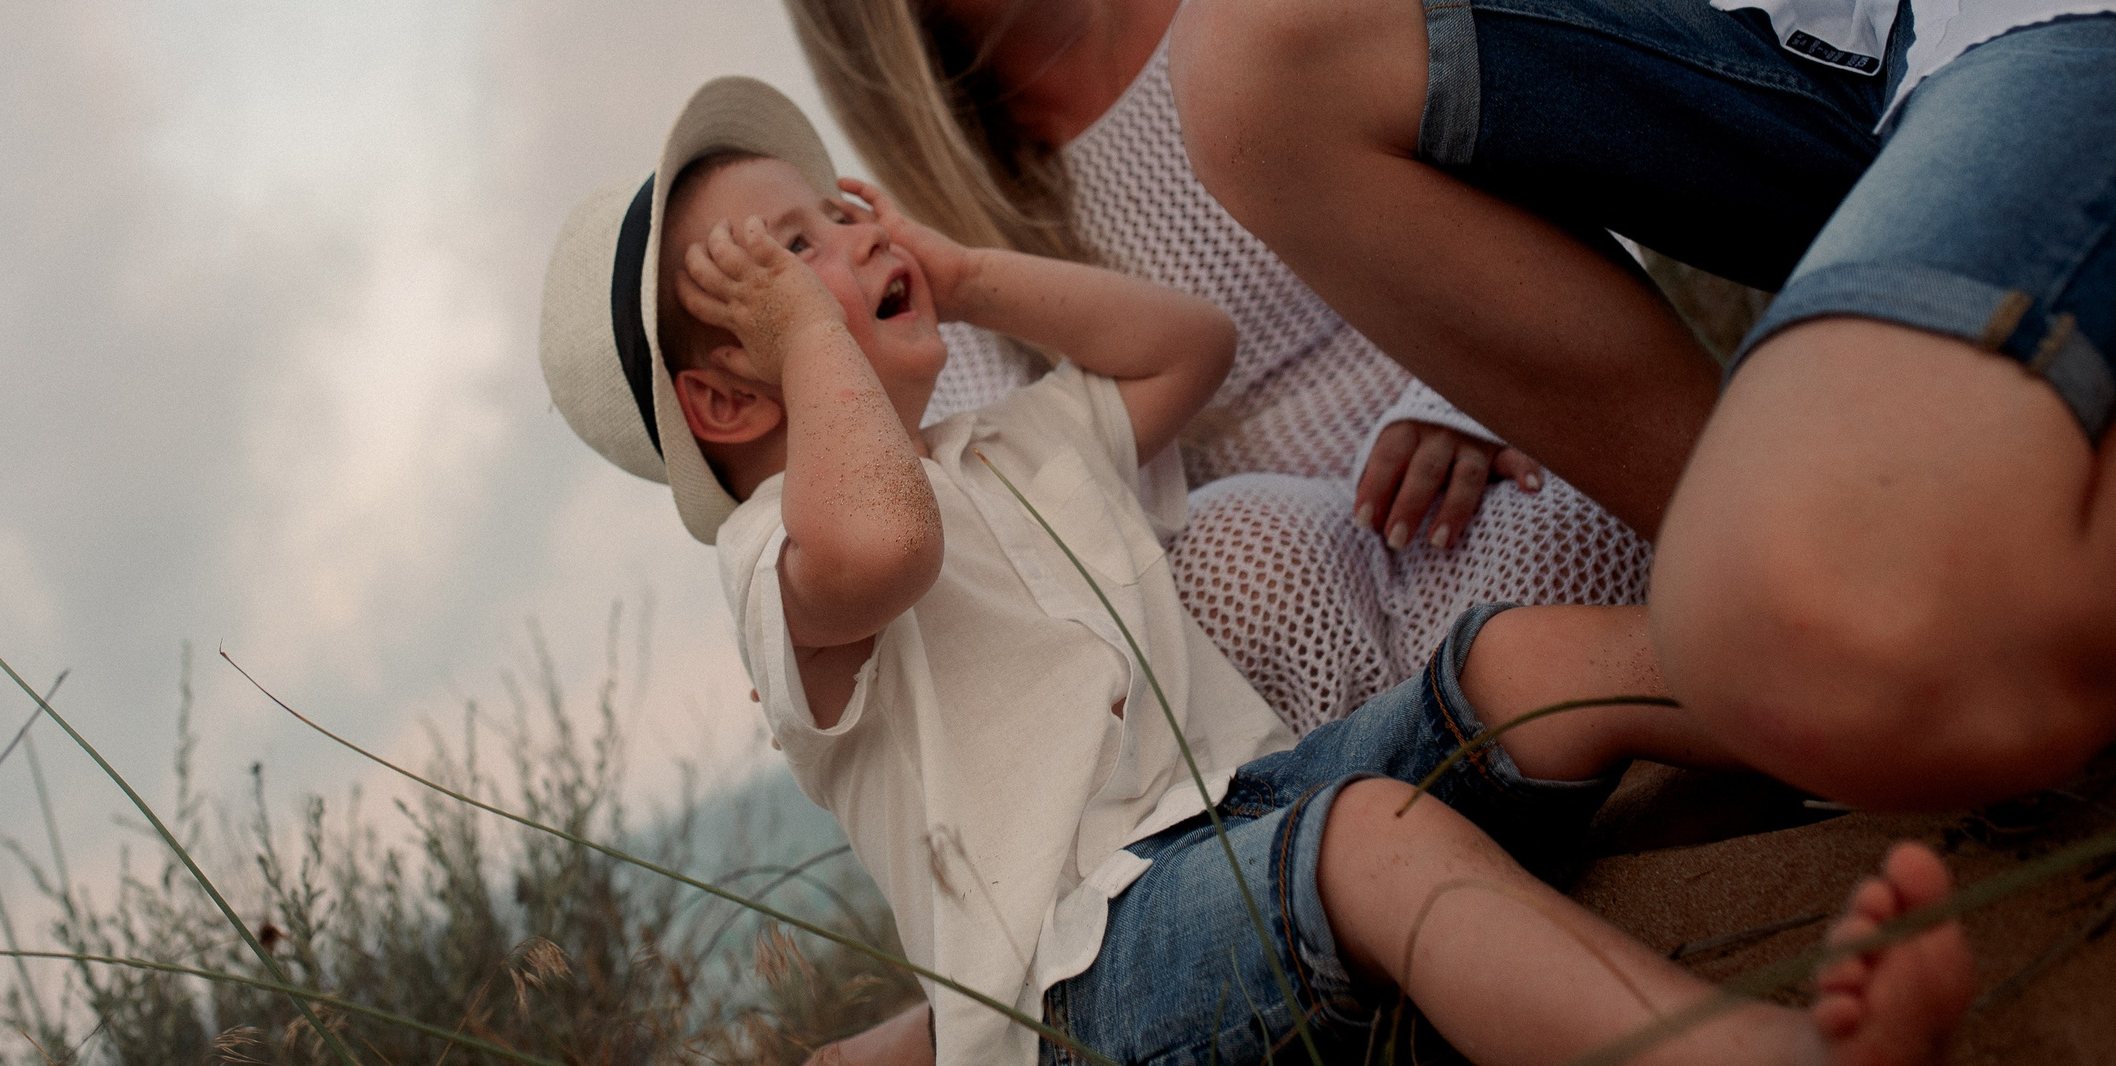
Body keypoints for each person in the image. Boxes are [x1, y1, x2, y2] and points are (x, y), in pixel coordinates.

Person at [536, 76, 1971, 1066]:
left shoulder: (1008, 442)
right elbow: (883, 545)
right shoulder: (775, 562)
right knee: (1371, 838)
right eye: (788, 260)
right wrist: (815, 323)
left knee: (1519, 664)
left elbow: (1185, 347)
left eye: (832, 214)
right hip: (1087, 975)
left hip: (1251, 802)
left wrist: (966, 275)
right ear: (729, 404)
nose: (844, 241)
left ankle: (1918, 697)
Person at [1155, 0, 2116, 810]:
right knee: (1255, 54)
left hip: (2027, 26)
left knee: (1833, 626)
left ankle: (1819, 611)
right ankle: (1766, 590)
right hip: (1798, 30)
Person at [783, 0, 1658, 736]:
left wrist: (1469, 394)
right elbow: (1006, 521)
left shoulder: (1249, 21)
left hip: (1494, 461)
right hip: (1285, 622)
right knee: (1224, 574)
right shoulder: (937, 226)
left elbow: (1540, 154)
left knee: (1561, 532)